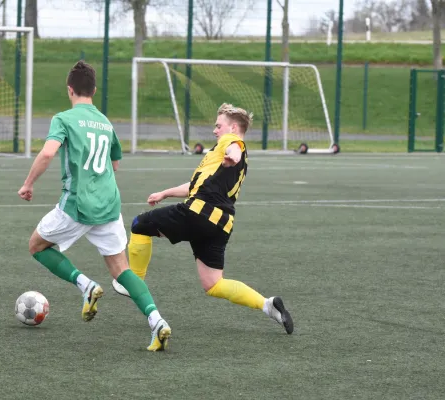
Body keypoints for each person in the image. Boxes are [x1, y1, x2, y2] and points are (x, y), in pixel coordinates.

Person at [17, 61, 172, 351]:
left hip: (78, 203)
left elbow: (48, 153)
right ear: (94, 90)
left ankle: (85, 285)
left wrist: (28, 184)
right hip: (110, 204)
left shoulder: (63, 118)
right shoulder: (105, 122)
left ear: (70, 89)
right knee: (122, 271)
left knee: (37, 246)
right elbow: (114, 164)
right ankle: (157, 321)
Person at [112, 103, 294, 335]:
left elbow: (235, 149)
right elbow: (196, 186)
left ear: (233, 128)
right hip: (220, 224)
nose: (215, 131)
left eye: (219, 126)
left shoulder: (231, 143)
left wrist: (232, 155)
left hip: (199, 213)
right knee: (214, 283)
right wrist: (165, 193)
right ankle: (268, 305)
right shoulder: (219, 157)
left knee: (139, 225)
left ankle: (134, 283)